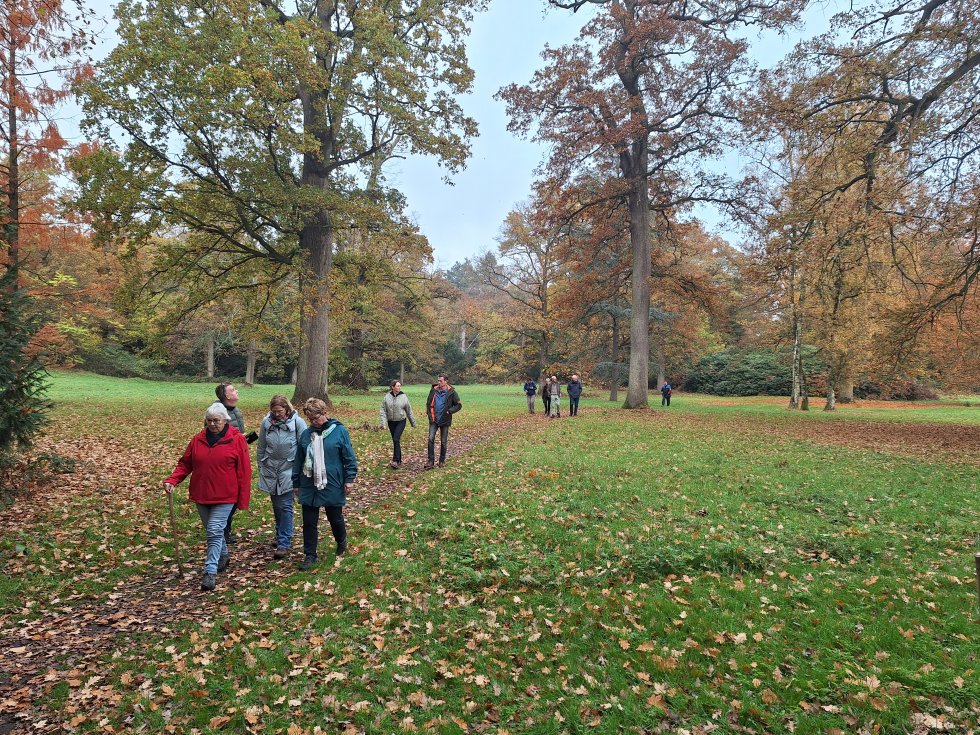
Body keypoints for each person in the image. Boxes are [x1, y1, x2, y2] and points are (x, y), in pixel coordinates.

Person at [163, 404, 251, 591]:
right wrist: (172, 480)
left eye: (216, 420)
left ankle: (210, 572)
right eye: (209, 420)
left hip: (226, 496)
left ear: (225, 420)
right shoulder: (198, 440)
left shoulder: (236, 440)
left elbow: (244, 471)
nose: (212, 424)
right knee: (215, 532)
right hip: (201, 495)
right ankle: (224, 555)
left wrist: (243, 499)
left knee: (213, 530)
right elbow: (185, 464)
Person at [292, 398, 358, 570]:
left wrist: (349, 479)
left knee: (334, 517)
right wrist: (296, 482)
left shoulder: (339, 431)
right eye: (311, 419)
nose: (314, 422)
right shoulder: (307, 434)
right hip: (309, 483)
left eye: (316, 418)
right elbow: (299, 460)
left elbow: (349, 456)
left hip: (332, 482)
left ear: (325, 413)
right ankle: (310, 555)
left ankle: (341, 541)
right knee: (309, 521)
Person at [257, 395, 306, 560]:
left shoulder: (297, 423)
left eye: (280, 411)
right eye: (274, 411)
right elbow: (262, 446)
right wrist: (261, 465)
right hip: (271, 468)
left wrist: (301, 471)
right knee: (277, 505)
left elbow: (304, 447)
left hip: (289, 469)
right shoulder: (266, 423)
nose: (277, 414)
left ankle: (284, 542)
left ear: (287, 408)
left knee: (285, 505)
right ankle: (280, 534)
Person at [210, 383, 257, 545]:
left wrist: (245, 440)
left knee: (236, 496)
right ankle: (221, 531)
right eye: (233, 390)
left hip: (238, 458)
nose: (236, 391)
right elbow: (215, 437)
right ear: (227, 396)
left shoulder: (236, 410)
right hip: (224, 464)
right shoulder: (216, 413)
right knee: (226, 498)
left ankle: (224, 530)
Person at [424, 373, 462, 469]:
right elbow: (428, 403)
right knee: (430, 439)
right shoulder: (434, 390)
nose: (439, 382)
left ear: (446, 381)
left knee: (443, 442)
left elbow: (458, 405)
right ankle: (430, 461)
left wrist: (450, 411)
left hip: (445, 419)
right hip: (434, 419)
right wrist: (429, 414)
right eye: (438, 380)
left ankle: (441, 461)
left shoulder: (452, 392)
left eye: (441, 381)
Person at [380, 380, 416, 469]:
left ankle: (395, 460)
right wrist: (383, 423)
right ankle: (399, 460)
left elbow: (408, 410)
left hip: (401, 421)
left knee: (396, 438)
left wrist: (413, 422)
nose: (399, 387)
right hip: (391, 422)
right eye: (398, 386)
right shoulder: (387, 397)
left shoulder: (403, 397)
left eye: (400, 386)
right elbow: (383, 410)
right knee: (395, 440)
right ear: (392, 387)